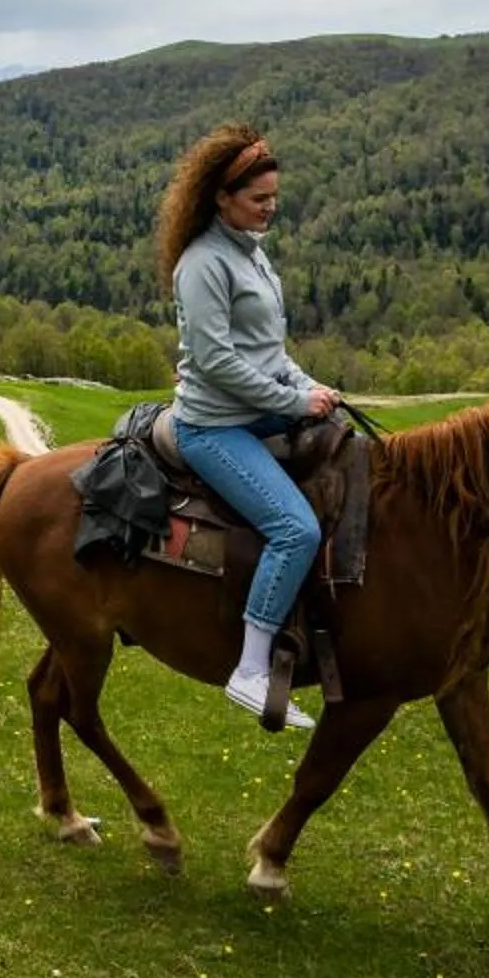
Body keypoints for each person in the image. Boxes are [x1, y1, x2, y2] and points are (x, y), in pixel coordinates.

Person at [156, 123, 341, 725]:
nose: (271, 209)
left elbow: (267, 350)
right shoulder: (203, 264)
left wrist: (306, 384)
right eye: (259, 200)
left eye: (274, 198)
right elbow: (216, 362)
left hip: (254, 408)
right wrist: (290, 405)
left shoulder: (250, 254)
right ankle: (251, 669)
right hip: (214, 426)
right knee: (296, 529)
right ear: (221, 197)